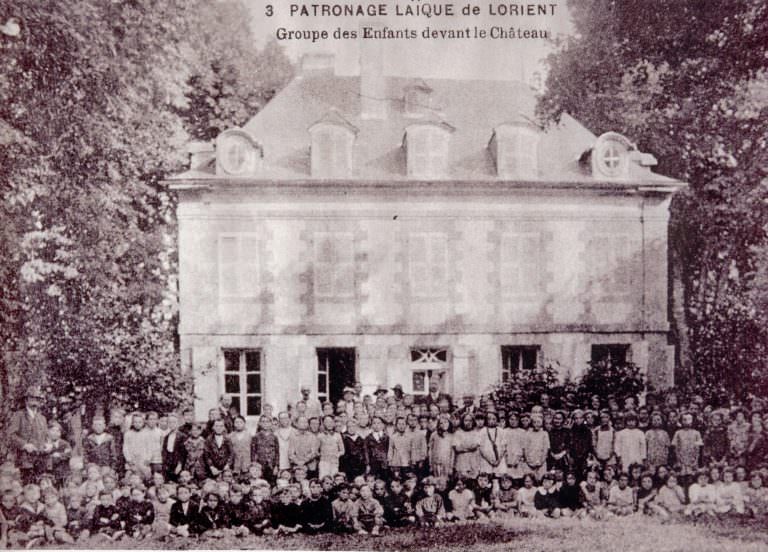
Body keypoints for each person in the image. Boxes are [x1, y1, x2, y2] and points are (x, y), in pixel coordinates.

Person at [8, 386, 50, 484]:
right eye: (32, 398)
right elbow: (11, 435)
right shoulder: (19, 415)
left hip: (41, 459)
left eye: (37, 399)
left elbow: (46, 436)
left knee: (41, 486)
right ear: (26, 400)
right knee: (28, 487)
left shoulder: (42, 418)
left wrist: (48, 444)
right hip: (25, 460)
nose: (35, 401)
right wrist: (25, 445)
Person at [161, 413, 186, 482]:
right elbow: (165, 450)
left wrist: (180, 464)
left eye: (174, 422)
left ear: (178, 423)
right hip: (168, 462)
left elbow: (183, 453)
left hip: (177, 462)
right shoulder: (166, 436)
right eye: (170, 422)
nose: (172, 424)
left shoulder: (182, 436)